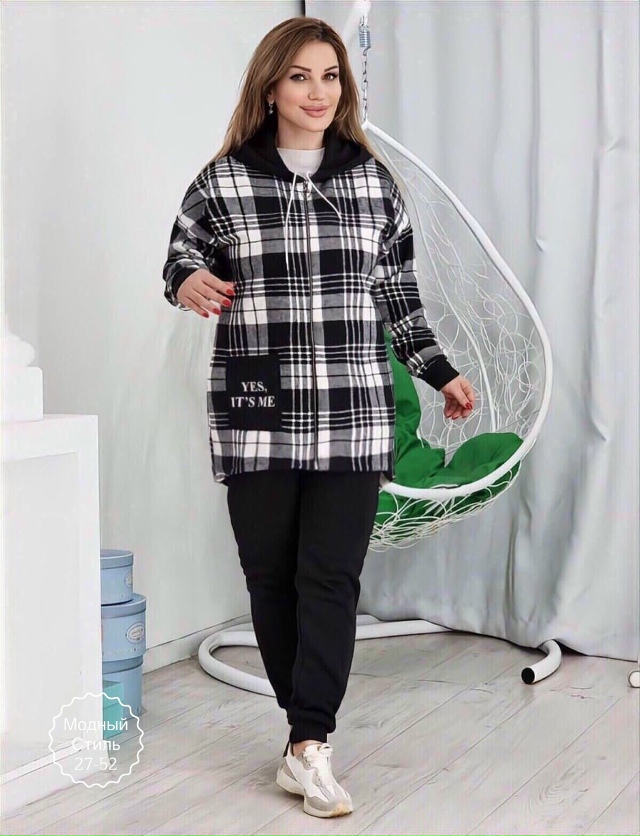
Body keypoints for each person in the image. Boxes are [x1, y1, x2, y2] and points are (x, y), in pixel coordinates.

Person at [162, 16, 475, 819]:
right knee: (270, 577)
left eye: (330, 76)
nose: (318, 91)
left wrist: (439, 373)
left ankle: (310, 743)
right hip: (257, 406)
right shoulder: (224, 181)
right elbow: (182, 258)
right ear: (271, 87)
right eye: (301, 76)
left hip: (351, 409)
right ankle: (300, 738)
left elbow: (400, 300)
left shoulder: (373, 184)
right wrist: (188, 281)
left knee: (330, 578)